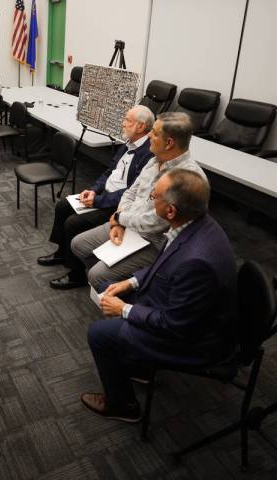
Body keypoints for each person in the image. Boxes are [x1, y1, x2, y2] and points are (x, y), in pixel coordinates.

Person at [80, 169, 237, 422]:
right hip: (178, 305)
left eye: (154, 196)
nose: (150, 198)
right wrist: (130, 283)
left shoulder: (196, 261)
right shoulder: (193, 222)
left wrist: (123, 310)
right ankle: (138, 364)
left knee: (98, 334)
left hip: (193, 339)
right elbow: (162, 264)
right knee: (106, 284)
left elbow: (175, 325)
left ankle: (123, 405)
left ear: (171, 210)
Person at [71, 112, 207, 288]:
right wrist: (119, 222)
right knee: (78, 245)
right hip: (128, 223)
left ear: (169, 143)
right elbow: (130, 193)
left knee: (97, 274)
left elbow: (155, 223)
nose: (149, 134)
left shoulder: (186, 178)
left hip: (155, 242)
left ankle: (121, 295)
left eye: (155, 133)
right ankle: (110, 287)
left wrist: (120, 219)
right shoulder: (155, 161)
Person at [41, 105, 155, 290]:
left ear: (141, 127)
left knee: (73, 223)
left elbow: (131, 193)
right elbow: (110, 172)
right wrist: (94, 190)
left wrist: (98, 201)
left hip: (116, 206)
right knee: (62, 205)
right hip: (104, 196)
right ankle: (62, 252)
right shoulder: (128, 144)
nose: (123, 123)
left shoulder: (148, 155)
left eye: (128, 120)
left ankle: (76, 274)